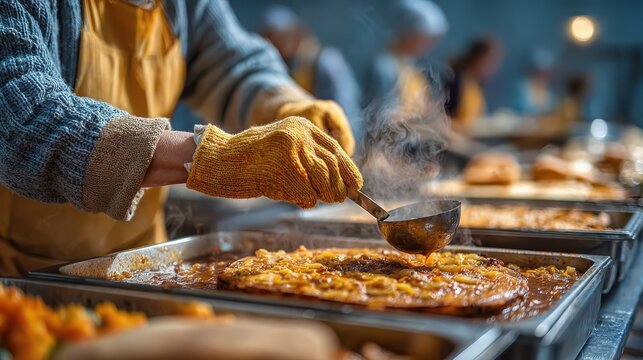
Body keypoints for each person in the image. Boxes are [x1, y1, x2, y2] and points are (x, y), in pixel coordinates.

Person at [0, 0, 361, 276]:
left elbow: (232, 64)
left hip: (140, 263)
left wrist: (286, 105)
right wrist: (211, 155)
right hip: (23, 275)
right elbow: (23, 112)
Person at [260, 5, 363, 138]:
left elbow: (347, 113)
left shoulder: (327, 63)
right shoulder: (282, 66)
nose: (274, 45)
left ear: (296, 33)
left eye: (279, 37)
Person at [363, 0, 448, 113]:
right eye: (426, 39)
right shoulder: (384, 68)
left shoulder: (409, 65)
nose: (430, 46)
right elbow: (379, 119)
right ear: (409, 34)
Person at [445, 36, 504, 133]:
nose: (494, 68)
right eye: (491, 62)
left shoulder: (477, 83)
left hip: (470, 137)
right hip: (453, 140)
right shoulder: (454, 81)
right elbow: (443, 118)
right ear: (478, 59)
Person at [514, 49, 556, 115]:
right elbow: (523, 109)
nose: (544, 75)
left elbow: (551, 107)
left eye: (546, 72)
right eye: (541, 72)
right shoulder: (523, 87)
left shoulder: (547, 89)